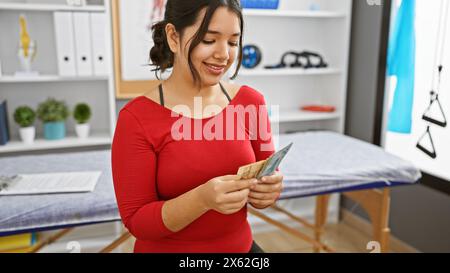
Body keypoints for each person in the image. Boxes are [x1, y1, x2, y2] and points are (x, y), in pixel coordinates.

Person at [111, 0, 284, 253]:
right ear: (173, 36)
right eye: (209, 40)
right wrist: (202, 200)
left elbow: (268, 176)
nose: (224, 54)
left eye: (233, 42)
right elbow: (137, 221)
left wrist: (270, 190)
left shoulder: (251, 102)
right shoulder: (135, 118)